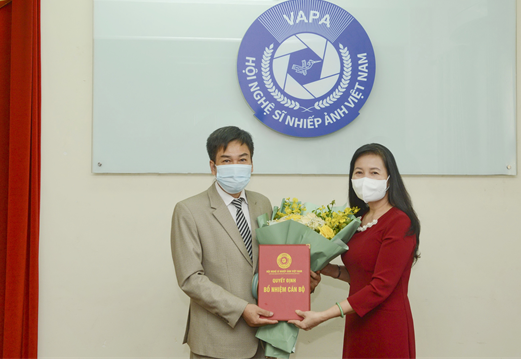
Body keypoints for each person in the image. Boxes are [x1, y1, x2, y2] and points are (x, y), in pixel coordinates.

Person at [288, 143, 421, 359]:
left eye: (374, 172)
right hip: (357, 320)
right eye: (359, 172)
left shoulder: (399, 222)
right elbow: (361, 275)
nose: (365, 179)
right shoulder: (357, 220)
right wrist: (325, 267)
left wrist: (323, 315)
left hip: (386, 325)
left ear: (390, 179)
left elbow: (380, 286)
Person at [170, 126, 277, 359]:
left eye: (242, 159)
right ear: (213, 166)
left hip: (265, 338)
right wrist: (241, 309)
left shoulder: (263, 204)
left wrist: (301, 278)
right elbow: (190, 279)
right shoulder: (189, 210)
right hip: (217, 342)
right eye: (227, 160)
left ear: (251, 164)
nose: (236, 166)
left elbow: (271, 263)